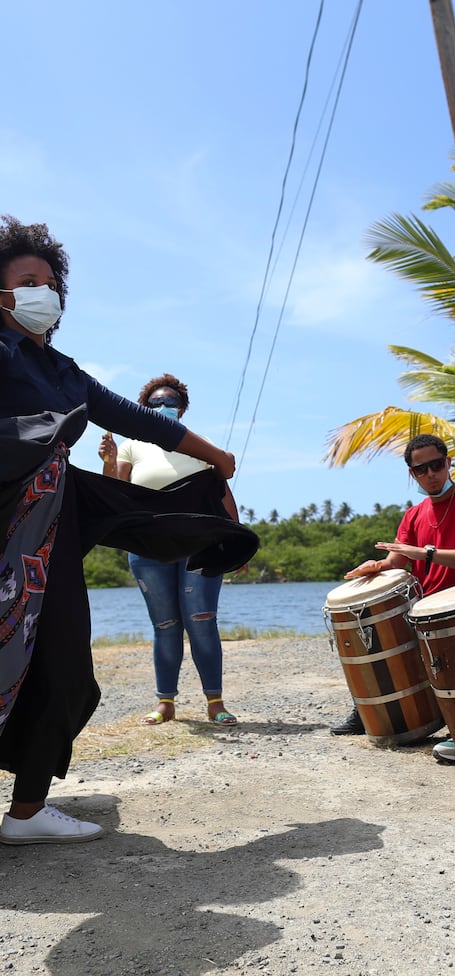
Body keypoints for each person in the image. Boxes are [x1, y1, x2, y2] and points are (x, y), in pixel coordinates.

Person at [0, 215, 256, 846]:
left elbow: (141, 420)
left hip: (46, 535)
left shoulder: (64, 373)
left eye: (51, 283)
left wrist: (214, 456)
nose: (43, 293)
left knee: (62, 662)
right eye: (27, 280)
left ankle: (27, 811)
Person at [98, 374, 241, 727]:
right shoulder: (132, 444)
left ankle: (215, 703)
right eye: (156, 403)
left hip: (200, 544)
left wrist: (237, 542)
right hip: (149, 547)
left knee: (201, 621)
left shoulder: (199, 443)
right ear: (143, 409)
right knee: (164, 625)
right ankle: (165, 702)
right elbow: (116, 493)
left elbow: (222, 492)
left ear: (182, 409)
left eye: (171, 403)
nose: (164, 408)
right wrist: (109, 460)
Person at [331, 433, 455, 737]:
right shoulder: (413, 515)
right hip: (422, 607)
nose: (430, 475)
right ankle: (369, 710)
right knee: (370, 630)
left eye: (436, 466)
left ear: (448, 463)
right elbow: (396, 560)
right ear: (412, 474)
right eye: (421, 470)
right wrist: (376, 566)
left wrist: (426, 553)